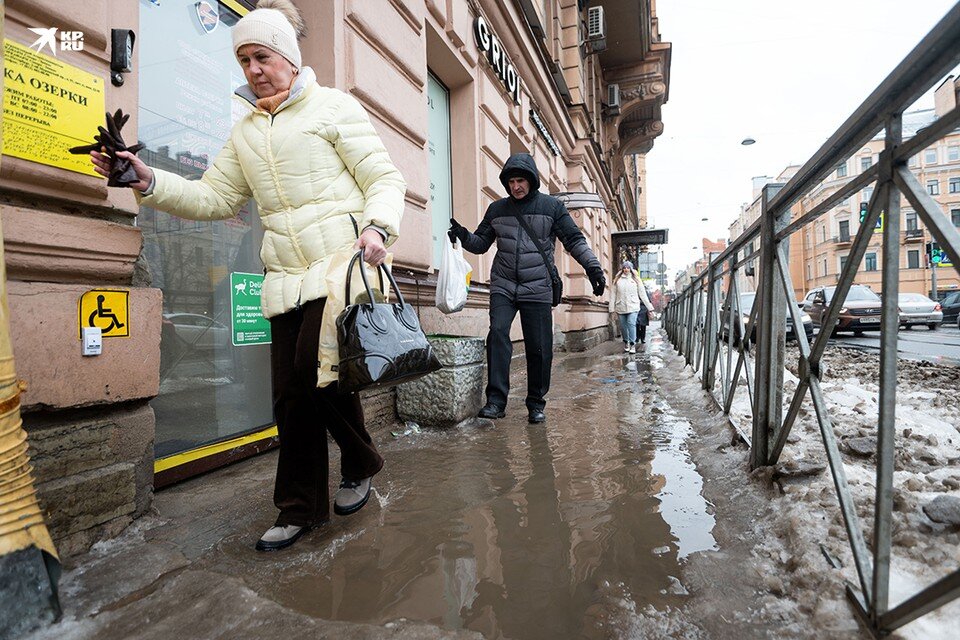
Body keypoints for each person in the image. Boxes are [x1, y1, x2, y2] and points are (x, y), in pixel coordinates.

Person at [88, 0, 406, 552]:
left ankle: (359, 460)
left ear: (287, 57)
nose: (253, 70)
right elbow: (215, 197)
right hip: (284, 275)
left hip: (341, 265)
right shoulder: (246, 134)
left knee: (316, 367)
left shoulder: (334, 109)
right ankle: (302, 508)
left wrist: (379, 228)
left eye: (261, 56)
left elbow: (384, 176)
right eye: (243, 61)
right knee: (288, 396)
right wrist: (147, 181)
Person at [448, 153, 605, 424]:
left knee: (539, 347)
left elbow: (574, 240)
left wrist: (593, 268)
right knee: (497, 334)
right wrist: (462, 235)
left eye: (520, 180)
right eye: (511, 182)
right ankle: (496, 401)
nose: (515, 187)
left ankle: (536, 403)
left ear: (531, 180)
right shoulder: (497, 209)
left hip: (538, 285)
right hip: (504, 284)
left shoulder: (551, 207)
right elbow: (481, 243)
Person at [609, 261, 643, 353]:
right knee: (623, 327)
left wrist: (650, 308)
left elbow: (642, 294)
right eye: (624, 268)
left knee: (631, 323)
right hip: (621, 307)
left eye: (628, 268)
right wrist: (612, 310)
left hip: (633, 306)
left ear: (631, 269)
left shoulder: (636, 280)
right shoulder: (617, 280)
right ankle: (626, 342)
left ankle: (632, 344)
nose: (626, 269)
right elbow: (613, 295)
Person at [635, 281, 655, 345]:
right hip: (636, 309)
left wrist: (649, 309)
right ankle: (637, 337)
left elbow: (648, 301)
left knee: (643, 325)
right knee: (636, 324)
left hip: (644, 309)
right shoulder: (634, 291)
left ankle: (643, 338)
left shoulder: (645, 292)